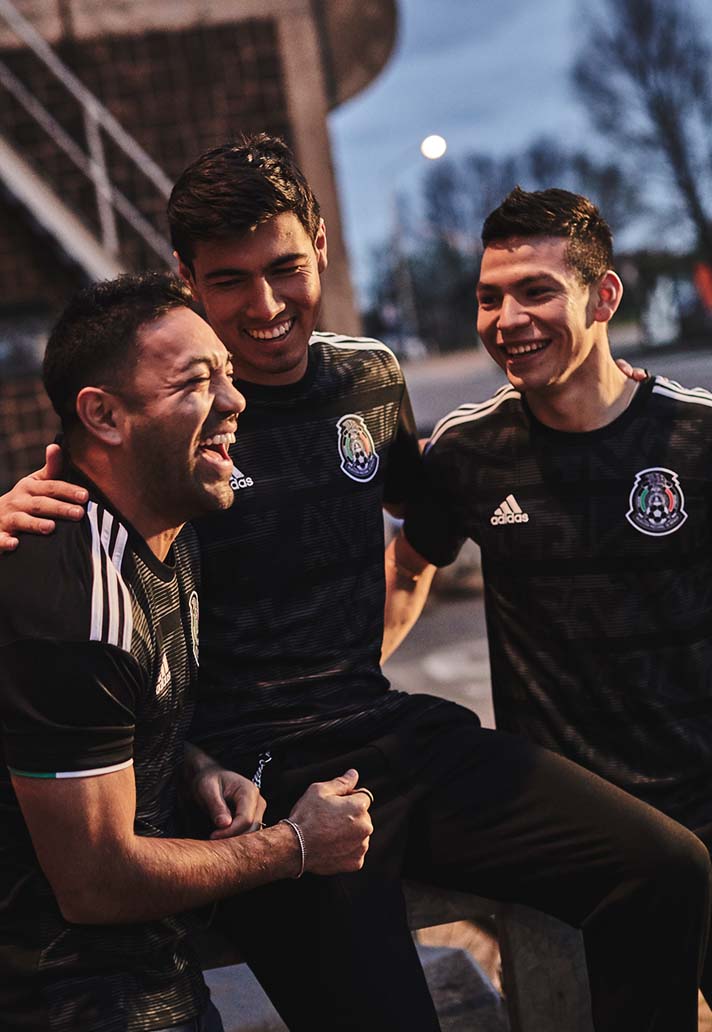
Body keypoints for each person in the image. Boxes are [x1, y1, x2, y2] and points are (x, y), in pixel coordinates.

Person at [0, 140, 710, 1032]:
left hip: (383, 725)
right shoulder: (170, 419)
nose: (265, 306)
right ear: (187, 278)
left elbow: (423, 524)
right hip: (256, 778)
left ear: (323, 248)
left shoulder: (370, 376)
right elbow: (78, 520)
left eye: (285, 269)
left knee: (663, 866)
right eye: (229, 281)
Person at [0, 272, 373, 1032]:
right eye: (197, 382)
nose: (236, 401)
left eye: (226, 375)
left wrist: (193, 765)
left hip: (155, 974)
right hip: (73, 1004)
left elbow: (123, 713)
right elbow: (95, 883)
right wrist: (296, 844)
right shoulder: (73, 601)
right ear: (104, 416)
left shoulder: (173, 524)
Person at [384, 185, 712, 1002]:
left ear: (604, 297)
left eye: (536, 291)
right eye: (489, 297)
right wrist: (344, 687)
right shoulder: (468, 450)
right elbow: (409, 567)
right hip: (582, 830)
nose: (507, 320)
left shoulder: (698, 437)